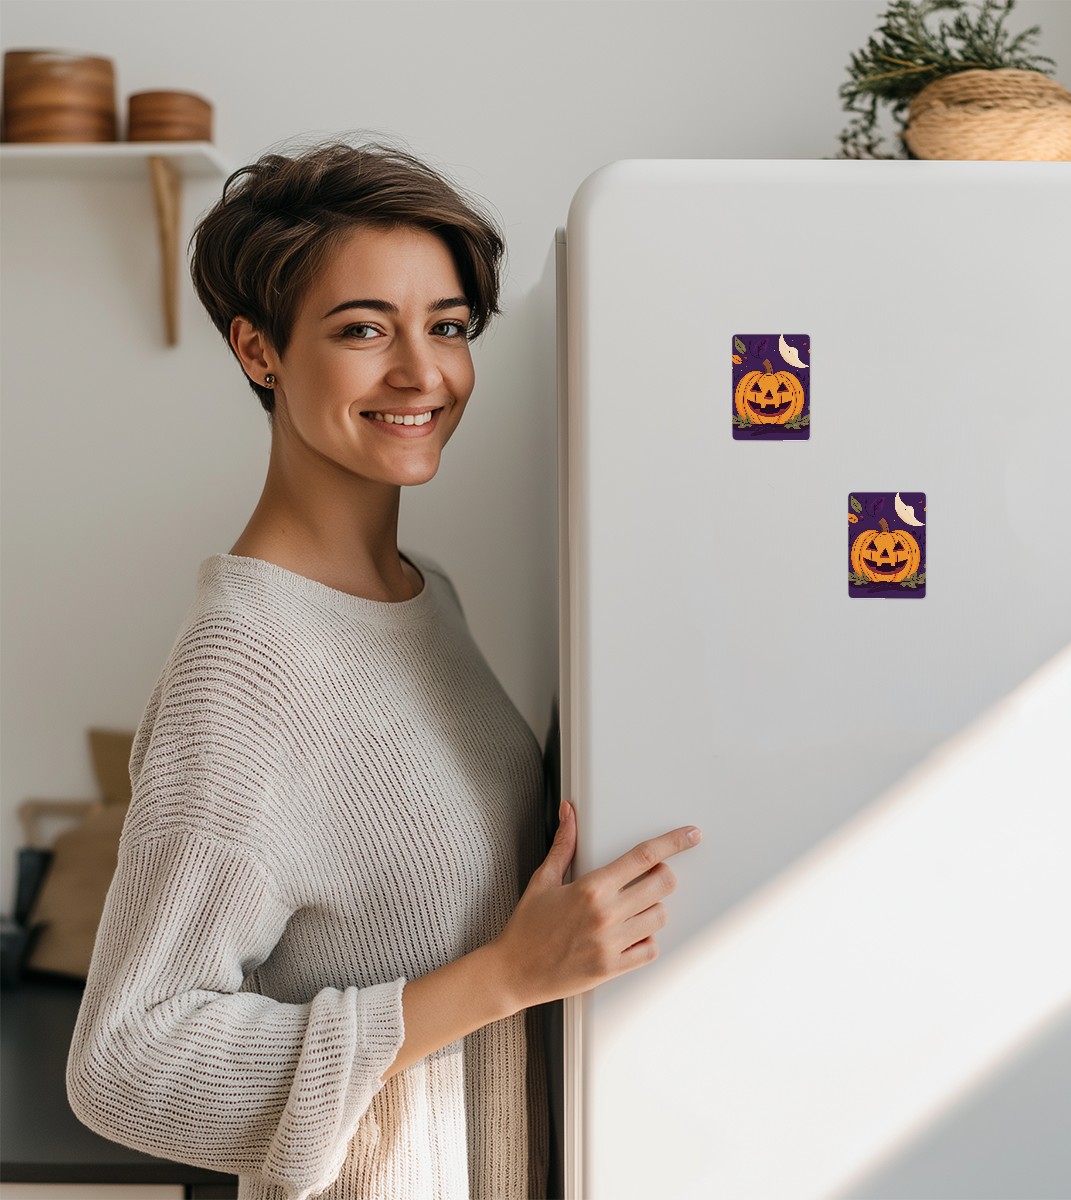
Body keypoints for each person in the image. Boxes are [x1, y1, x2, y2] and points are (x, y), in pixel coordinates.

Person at [66, 141, 700, 1200]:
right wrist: (504, 978)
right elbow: (126, 1063)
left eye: (447, 327)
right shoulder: (246, 665)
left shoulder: (418, 594)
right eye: (364, 329)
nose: (423, 373)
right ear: (258, 351)